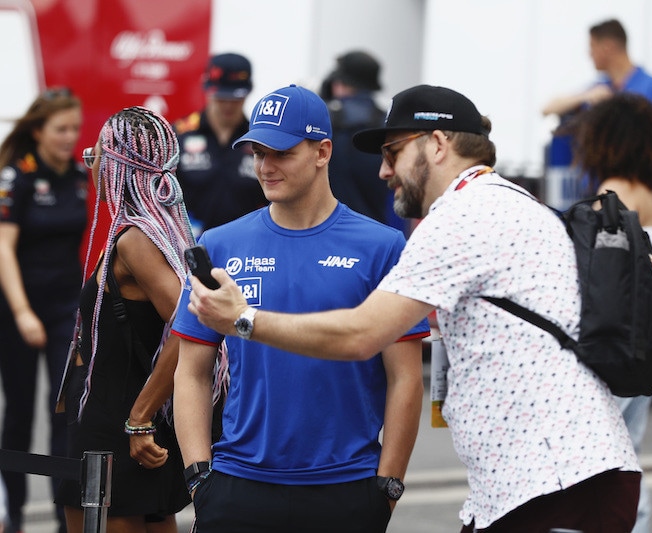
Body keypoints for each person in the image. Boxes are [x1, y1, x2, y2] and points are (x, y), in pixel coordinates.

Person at [183, 84, 641, 533]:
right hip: (549, 475)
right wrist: (201, 478)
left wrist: (243, 318)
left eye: (394, 152)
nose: (384, 171)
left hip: (551, 479)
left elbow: (361, 335)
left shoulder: (458, 219)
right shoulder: (512, 202)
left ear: (437, 144)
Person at [171, 84, 429, 533]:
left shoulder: (381, 247)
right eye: (257, 153)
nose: (265, 167)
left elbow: (404, 376)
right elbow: (191, 369)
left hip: (346, 487)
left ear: (322, 152)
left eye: (281, 153)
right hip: (237, 485)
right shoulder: (221, 244)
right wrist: (198, 475)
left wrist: (387, 486)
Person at [54, 106, 194, 532]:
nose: (91, 163)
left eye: (95, 155)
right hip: (121, 419)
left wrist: (140, 416)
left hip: (117, 425)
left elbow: (192, 325)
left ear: (117, 166)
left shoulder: (137, 241)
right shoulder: (151, 232)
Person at [571, 92, 652, 533]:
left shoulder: (614, 191)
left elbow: (596, 269)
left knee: (597, 450)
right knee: (629, 447)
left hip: (619, 334)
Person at [0, 87, 84, 533]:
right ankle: (13, 514)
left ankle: (62, 518)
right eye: (61, 129)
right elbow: (3, 248)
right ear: (38, 131)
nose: (70, 137)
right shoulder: (17, 175)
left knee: (64, 413)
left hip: (65, 308)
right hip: (18, 308)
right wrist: (22, 312)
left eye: (75, 128)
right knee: (19, 412)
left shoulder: (80, 176)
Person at [174, 52, 265, 235]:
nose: (228, 105)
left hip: (245, 244)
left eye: (236, 98)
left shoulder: (259, 140)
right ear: (206, 89)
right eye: (221, 97)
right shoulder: (178, 135)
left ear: (249, 91)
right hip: (187, 245)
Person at [541, 18, 652, 125]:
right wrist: (585, 97)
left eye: (592, 46)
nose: (589, 54)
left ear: (608, 47)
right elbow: (547, 109)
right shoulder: (598, 89)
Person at [321, 50, 399, 228]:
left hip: (329, 229)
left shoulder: (325, 120)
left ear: (339, 83)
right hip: (378, 231)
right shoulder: (389, 124)